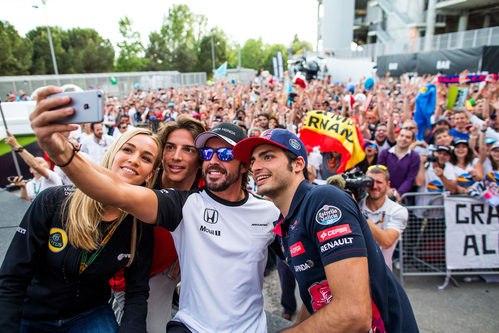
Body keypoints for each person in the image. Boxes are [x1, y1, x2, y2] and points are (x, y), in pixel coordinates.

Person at [29, 86, 280, 333]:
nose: (176, 156)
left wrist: (187, 256)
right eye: (170, 147)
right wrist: (61, 153)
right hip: (103, 280)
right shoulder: (165, 191)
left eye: (225, 153)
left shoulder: (245, 202)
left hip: (156, 279)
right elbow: (114, 189)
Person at [233, 128, 418, 332]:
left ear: (298, 164)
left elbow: (353, 314)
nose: (256, 167)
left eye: (267, 157)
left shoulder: (324, 200)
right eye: (253, 161)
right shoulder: (286, 220)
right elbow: (317, 295)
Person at [0, 128, 161, 332]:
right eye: (127, 150)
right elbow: (13, 276)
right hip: (31, 314)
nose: (134, 160)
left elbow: (137, 292)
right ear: (112, 154)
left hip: (89, 314)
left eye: (146, 158)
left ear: (151, 174)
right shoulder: (52, 201)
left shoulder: (141, 223)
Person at [360, 165, 408, 270]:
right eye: (370, 182)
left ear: (388, 184)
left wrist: (359, 214)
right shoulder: (357, 205)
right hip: (357, 272)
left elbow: (387, 241)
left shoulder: (398, 210)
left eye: (379, 182)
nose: (374, 186)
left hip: (382, 273)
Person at [4, 131, 62, 202]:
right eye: (34, 163)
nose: (36, 164)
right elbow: (27, 202)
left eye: (40, 162)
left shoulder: (53, 176)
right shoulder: (30, 184)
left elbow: (36, 166)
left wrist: (16, 146)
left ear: (47, 166)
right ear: (30, 169)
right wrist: (23, 187)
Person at [377, 128, 420, 201]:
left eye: (408, 137)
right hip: (384, 194)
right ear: (397, 137)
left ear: (412, 141)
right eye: (402, 135)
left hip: (404, 198)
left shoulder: (415, 156)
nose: (404, 139)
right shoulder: (385, 153)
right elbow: (380, 173)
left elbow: (410, 178)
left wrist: (398, 193)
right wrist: (387, 189)